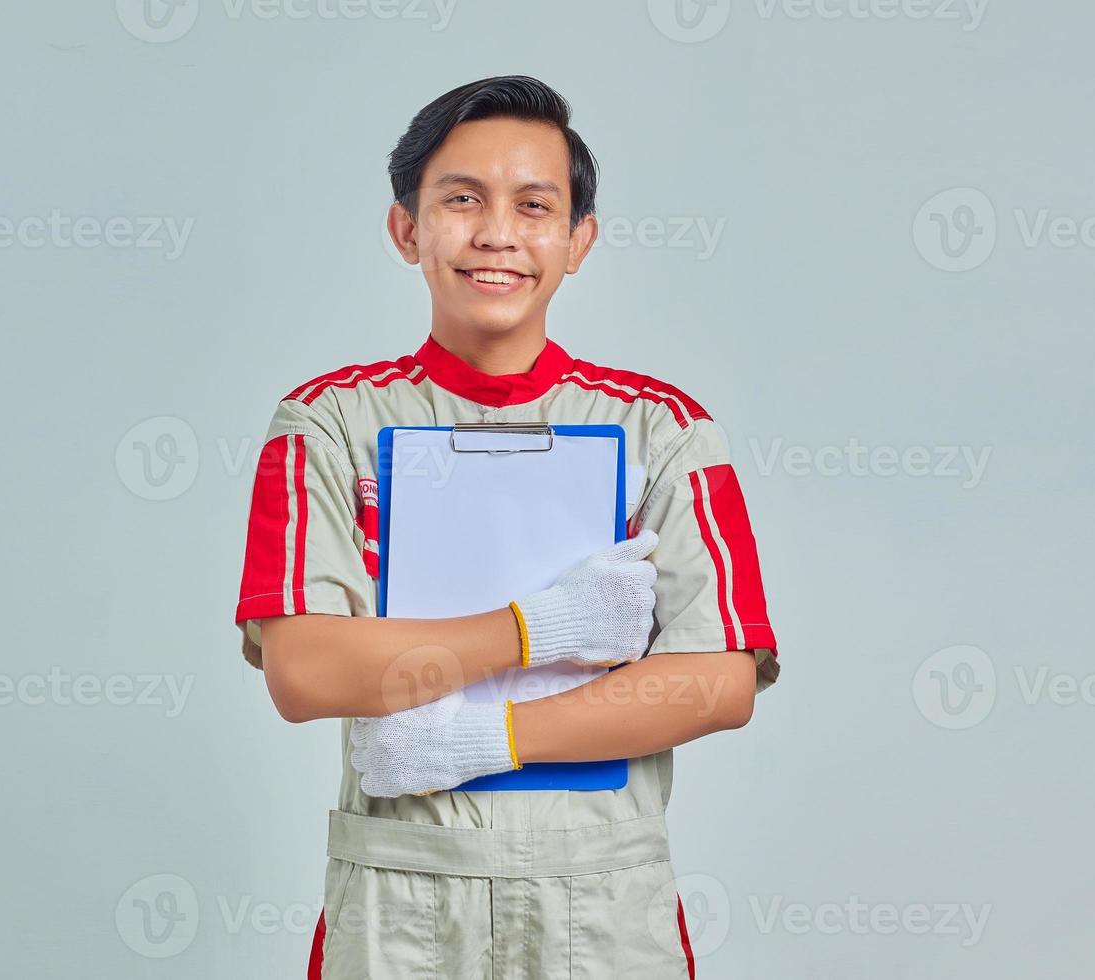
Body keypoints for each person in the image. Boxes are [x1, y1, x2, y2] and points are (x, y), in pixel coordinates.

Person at [234, 74, 781, 979]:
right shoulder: (328, 424)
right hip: (402, 892)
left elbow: (718, 682)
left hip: (603, 899)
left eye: (535, 206)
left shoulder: (665, 430)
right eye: (461, 200)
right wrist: (541, 629)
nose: (496, 233)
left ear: (578, 241)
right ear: (407, 228)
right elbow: (305, 669)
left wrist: (487, 740)